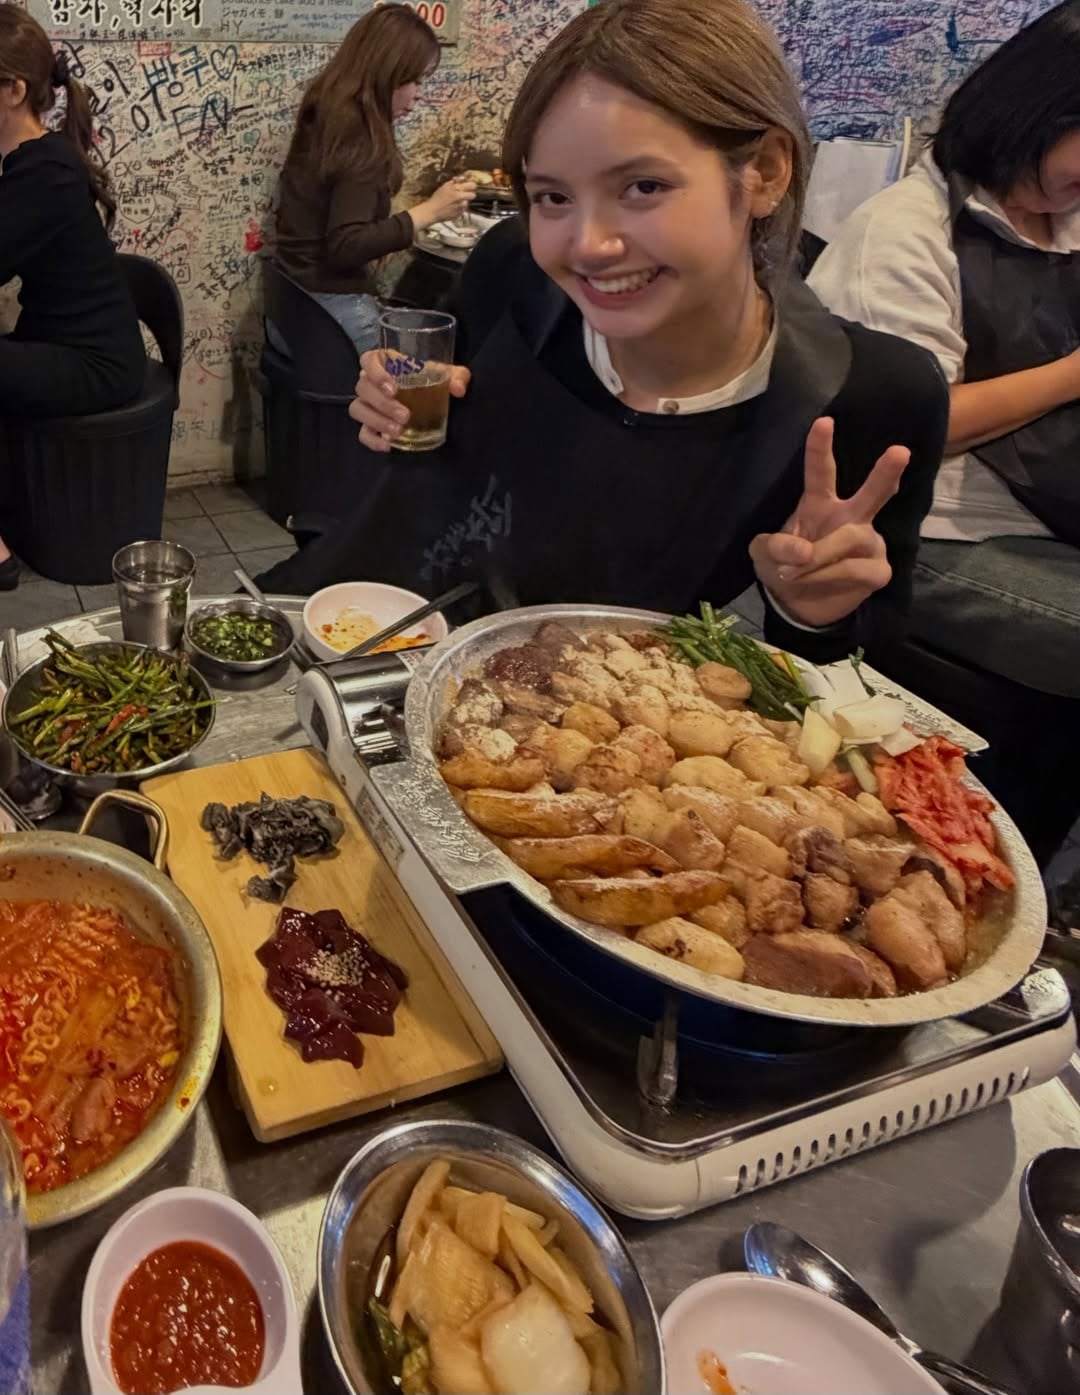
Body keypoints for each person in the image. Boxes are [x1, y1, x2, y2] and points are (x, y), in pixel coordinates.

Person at [259, 0, 948, 668]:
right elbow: (426, 429)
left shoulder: (864, 396)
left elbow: (864, 666)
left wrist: (810, 614)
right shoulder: (513, 272)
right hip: (372, 638)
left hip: (584, 712)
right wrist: (387, 397)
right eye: (553, 196)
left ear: (765, 172)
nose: (588, 245)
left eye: (643, 186)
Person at [808, 0, 1080, 702]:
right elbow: (913, 424)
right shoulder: (903, 233)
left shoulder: (1064, 217)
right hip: (939, 530)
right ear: (1040, 115)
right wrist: (1071, 375)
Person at [0, 3, 145, 590]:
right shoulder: (32, 164)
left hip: (94, 362)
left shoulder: (44, 173)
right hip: (64, 343)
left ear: (13, 90)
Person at [274, 5, 476, 355]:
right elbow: (346, 246)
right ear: (387, 73)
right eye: (414, 80)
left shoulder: (326, 113)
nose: (418, 94)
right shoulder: (360, 139)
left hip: (290, 314)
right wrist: (431, 211)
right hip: (333, 321)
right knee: (455, 346)